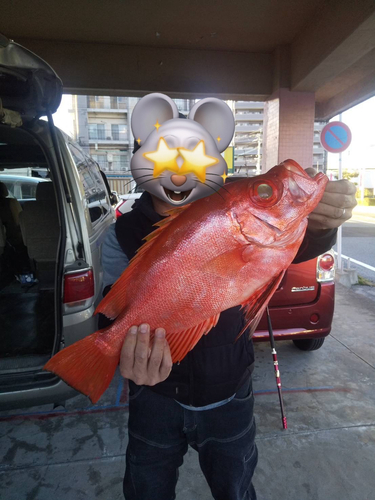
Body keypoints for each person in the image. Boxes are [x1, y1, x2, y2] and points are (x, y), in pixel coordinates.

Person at [100, 165, 357, 500]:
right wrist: (117, 348)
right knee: (146, 488)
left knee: (234, 488)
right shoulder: (121, 231)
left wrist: (323, 223)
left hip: (229, 391)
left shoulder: (226, 201)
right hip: (153, 398)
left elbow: (299, 242)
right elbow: (114, 306)